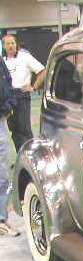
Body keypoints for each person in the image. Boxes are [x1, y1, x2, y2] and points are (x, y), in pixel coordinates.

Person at [2, 34, 45, 153]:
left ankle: (32, 156)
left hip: (22, 96)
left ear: (17, 44)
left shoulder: (25, 57)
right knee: (14, 130)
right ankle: (21, 157)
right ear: (4, 46)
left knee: (24, 129)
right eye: (8, 44)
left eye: (12, 43)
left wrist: (34, 87)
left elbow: (43, 71)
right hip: (9, 98)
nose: (10, 46)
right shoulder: (3, 61)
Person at [0, 55, 19, 237]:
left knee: (3, 173)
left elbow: (7, 82)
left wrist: (9, 106)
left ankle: (1, 218)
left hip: (1, 119)